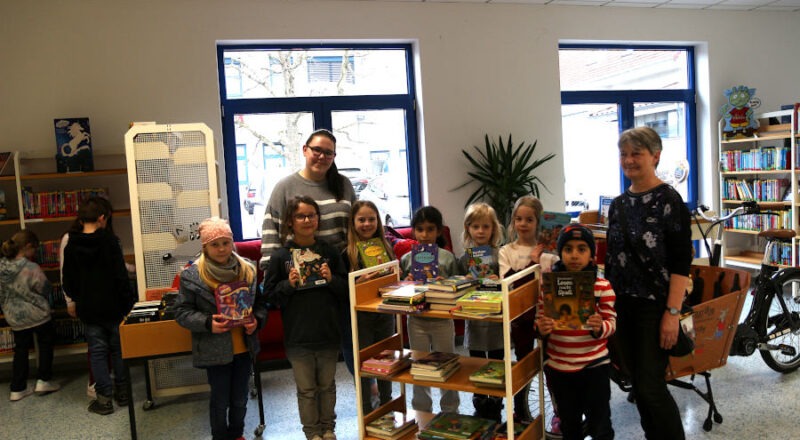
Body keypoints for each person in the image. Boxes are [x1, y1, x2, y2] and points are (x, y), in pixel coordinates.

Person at [605, 126, 692, 440]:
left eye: (636, 153)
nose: (628, 160)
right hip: (622, 307)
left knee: (651, 387)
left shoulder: (669, 199)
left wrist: (672, 313)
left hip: (654, 307)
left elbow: (682, 261)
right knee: (636, 385)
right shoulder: (617, 206)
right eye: (624, 154)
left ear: (655, 156)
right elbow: (612, 261)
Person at [259, 128, 357, 376]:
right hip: (302, 277)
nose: (322, 157)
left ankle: (365, 398)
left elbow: (355, 225)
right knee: (310, 348)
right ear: (305, 150)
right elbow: (271, 227)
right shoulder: (285, 187)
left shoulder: (342, 184)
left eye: (328, 153)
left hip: (338, 274)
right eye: (317, 150)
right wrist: (272, 271)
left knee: (351, 339)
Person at [264, 196, 348, 440]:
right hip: (298, 338)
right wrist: (288, 285)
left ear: (318, 219)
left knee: (327, 386)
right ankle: (312, 433)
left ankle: (328, 428)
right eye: (301, 216)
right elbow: (269, 296)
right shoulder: (281, 257)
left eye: (312, 215)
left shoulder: (329, 252)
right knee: (307, 390)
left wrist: (332, 279)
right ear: (290, 221)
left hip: (328, 334)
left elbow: (346, 290)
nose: (307, 220)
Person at [175, 216, 265, 440]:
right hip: (214, 349)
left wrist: (257, 322)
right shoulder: (193, 275)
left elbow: (261, 306)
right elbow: (181, 312)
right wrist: (207, 323)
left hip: (244, 347)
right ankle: (219, 436)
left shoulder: (247, 270)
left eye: (226, 242)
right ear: (205, 246)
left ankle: (237, 434)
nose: (222, 248)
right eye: (215, 244)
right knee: (220, 399)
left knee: (240, 398)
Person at [536, 224, 616, 440]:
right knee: (569, 425)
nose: (574, 255)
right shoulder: (548, 286)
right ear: (560, 253)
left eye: (582, 249)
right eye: (568, 249)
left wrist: (600, 327)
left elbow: (612, 322)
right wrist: (541, 329)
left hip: (595, 366)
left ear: (591, 255)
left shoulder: (602, 286)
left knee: (600, 424)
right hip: (560, 368)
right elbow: (540, 320)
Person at [62, 196, 137, 415]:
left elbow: (68, 281)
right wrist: (128, 304)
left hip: (89, 309)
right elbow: (120, 277)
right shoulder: (110, 242)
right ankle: (123, 393)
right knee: (118, 349)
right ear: (102, 218)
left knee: (97, 352)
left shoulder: (71, 244)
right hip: (114, 306)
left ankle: (104, 400)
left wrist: (79, 298)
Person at [498, 195, 560, 423]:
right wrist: (533, 262)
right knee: (523, 364)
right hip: (521, 318)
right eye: (518, 219)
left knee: (551, 363)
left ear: (538, 222)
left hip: (548, 317)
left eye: (529, 220)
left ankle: (558, 411)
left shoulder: (550, 252)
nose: (523, 224)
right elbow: (509, 283)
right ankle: (521, 412)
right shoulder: (507, 251)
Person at [399, 205, 460, 414]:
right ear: (414, 230)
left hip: (442, 319)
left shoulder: (447, 257)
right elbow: (400, 292)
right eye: (420, 229)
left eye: (430, 229)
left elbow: (460, 286)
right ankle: (421, 411)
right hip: (417, 321)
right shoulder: (407, 258)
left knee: (447, 364)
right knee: (419, 365)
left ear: (439, 231)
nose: (425, 235)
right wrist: (406, 283)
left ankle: (450, 410)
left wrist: (446, 283)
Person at [343, 200, 397, 413]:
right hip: (361, 318)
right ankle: (366, 410)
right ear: (353, 222)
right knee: (364, 364)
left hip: (385, 314)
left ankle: (387, 406)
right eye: (361, 219)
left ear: (378, 222)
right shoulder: (347, 252)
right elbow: (342, 289)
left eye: (371, 219)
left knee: (386, 360)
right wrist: (358, 282)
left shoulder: (386, 247)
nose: (367, 224)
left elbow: (394, 278)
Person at [0, 230, 61, 401]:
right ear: (27, 247)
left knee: (20, 350)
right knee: (46, 344)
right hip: (37, 315)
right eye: (34, 249)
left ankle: (17, 388)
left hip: (14, 317)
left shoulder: (1, 266)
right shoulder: (31, 267)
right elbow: (45, 288)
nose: (34, 253)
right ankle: (44, 380)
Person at [457, 202, 504, 421]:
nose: (481, 231)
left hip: (494, 321)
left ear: (493, 229)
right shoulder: (465, 259)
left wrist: (499, 281)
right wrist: (464, 281)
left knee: (496, 360)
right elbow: (454, 285)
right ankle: (479, 400)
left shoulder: (499, 255)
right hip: (474, 320)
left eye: (486, 226)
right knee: (476, 361)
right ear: (468, 229)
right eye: (476, 226)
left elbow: (509, 282)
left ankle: (495, 401)